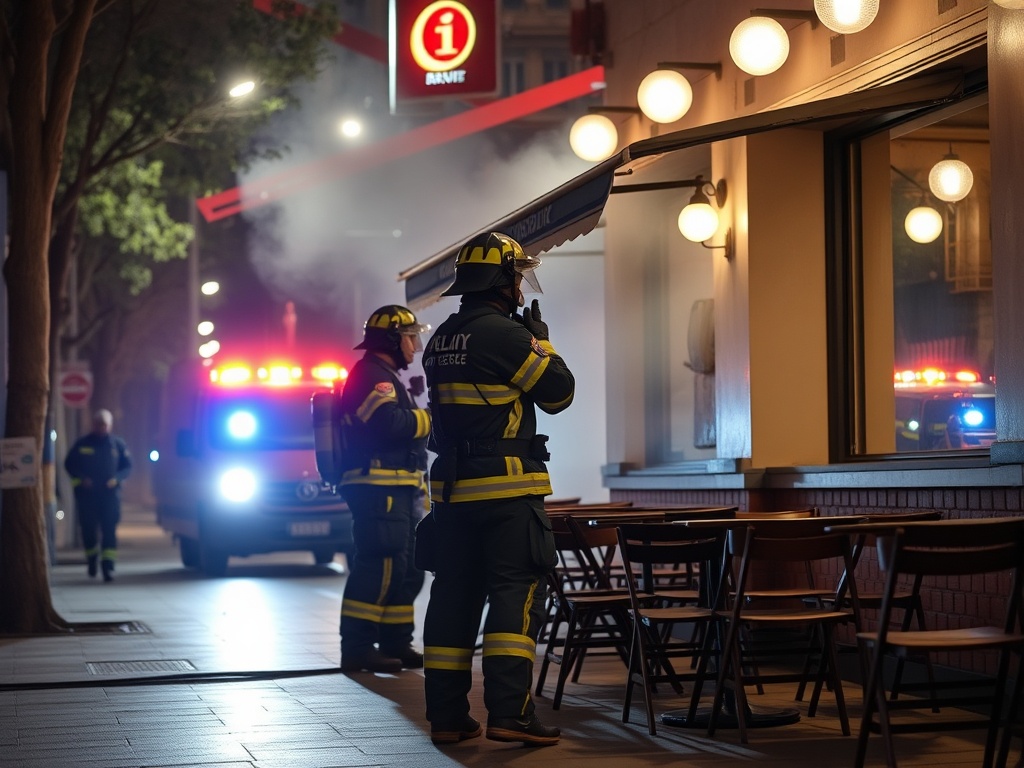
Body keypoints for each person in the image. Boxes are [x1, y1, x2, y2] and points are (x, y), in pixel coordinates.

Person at [421, 231, 575, 747]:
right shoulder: (504, 336)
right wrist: (542, 341)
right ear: (503, 279)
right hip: (507, 494)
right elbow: (559, 393)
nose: (518, 285)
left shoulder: (442, 336)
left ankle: (447, 716)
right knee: (515, 595)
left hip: (452, 496)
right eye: (516, 275)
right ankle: (510, 713)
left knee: (452, 598)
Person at [337, 304, 432, 673]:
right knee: (380, 565)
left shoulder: (385, 375)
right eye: (410, 337)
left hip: (398, 488)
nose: (414, 346)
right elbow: (386, 423)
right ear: (393, 339)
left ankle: (395, 641)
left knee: (406, 569)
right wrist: (430, 416)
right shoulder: (371, 376)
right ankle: (358, 647)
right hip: (379, 488)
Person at [64, 408, 133, 582]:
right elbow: (69, 464)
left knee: (109, 530)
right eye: (99, 424)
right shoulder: (82, 444)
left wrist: (116, 479)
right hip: (88, 496)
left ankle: (108, 566)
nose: (102, 427)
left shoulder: (117, 444)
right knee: (88, 531)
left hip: (110, 496)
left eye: (105, 424)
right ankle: (92, 560)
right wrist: (81, 479)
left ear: (110, 426)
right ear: (94, 425)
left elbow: (127, 467)